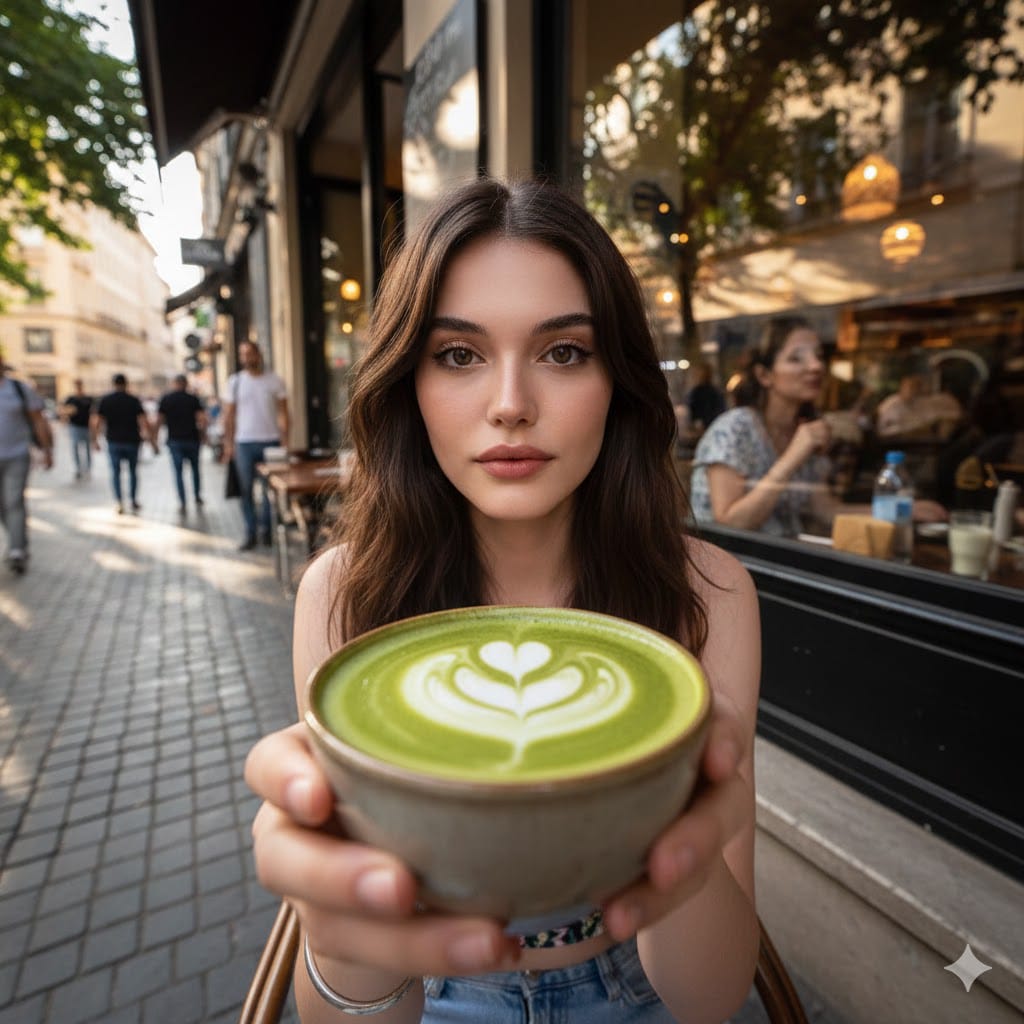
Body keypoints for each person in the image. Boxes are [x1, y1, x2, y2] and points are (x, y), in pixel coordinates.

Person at [244, 178, 761, 1023]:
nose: (512, 405)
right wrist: (340, 935)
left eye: (564, 352)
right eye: (458, 355)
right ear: (407, 381)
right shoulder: (342, 593)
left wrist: (691, 844)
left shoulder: (708, 592)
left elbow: (706, 1001)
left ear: (618, 381)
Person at [689, 317, 833, 537]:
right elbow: (730, 523)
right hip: (734, 565)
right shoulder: (734, 429)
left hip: (787, 561)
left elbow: (825, 510)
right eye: (796, 358)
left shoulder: (802, 430)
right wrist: (794, 456)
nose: (816, 366)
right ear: (764, 375)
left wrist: (898, 511)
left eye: (818, 356)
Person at [222, 340, 289, 550]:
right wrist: (228, 445)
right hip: (243, 444)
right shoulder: (235, 382)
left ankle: (267, 531)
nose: (247, 358)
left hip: (271, 442)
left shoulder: (275, 381)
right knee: (245, 491)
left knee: (271, 489)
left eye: (250, 353)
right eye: (243, 354)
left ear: (258, 354)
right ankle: (250, 532)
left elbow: (284, 414)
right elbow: (229, 417)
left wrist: (286, 443)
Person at [0, 361, 53, 574]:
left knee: (14, 501)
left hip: (17, 455)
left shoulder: (19, 389)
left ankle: (17, 549)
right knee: (2, 505)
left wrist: (47, 450)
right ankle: (15, 538)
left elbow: (38, 420)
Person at [91, 373, 158, 514]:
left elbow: (97, 421)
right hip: (132, 441)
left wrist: (95, 440)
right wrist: (151, 441)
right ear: (126, 384)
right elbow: (143, 421)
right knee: (133, 472)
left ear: (113, 384)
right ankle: (133, 500)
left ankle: (119, 501)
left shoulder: (106, 400)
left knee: (116, 472)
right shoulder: (133, 400)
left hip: (114, 441)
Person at [157, 374, 207, 514]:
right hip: (192, 439)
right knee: (195, 470)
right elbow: (202, 419)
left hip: (175, 441)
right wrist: (204, 435)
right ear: (185, 384)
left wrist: (154, 440)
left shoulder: (167, 399)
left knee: (178, 472)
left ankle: (182, 501)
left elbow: (159, 420)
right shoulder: (193, 399)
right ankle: (197, 496)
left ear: (174, 383)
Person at [60, 378, 94, 479]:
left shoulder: (88, 398)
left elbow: (93, 413)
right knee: (75, 448)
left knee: (87, 449)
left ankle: (87, 469)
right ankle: (78, 468)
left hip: (86, 427)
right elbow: (63, 411)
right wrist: (68, 412)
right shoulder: (71, 399)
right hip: (75, 426)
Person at [686, 361, 725, 433]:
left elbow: (718, 410)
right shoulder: (696, 392)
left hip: (709, 427)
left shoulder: (712, 392)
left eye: (698, 373)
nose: (696, 376)